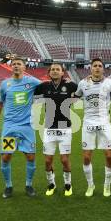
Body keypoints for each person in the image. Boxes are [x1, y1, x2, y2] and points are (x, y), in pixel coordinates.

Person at [0, 57, 41, 198]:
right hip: (10, 127)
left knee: (30, 157)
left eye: (19, 64)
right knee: (6, 157)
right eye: (13, 64)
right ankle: (8, 186)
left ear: (24, 68)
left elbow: (47, 86)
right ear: (11, 67)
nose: (16, 66)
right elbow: (0, 104)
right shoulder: (4, 84)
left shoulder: (31, 82)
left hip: (27, 126)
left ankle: (29, 185)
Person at [34, 63, 78, 197]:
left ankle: (68, 184)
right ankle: (51, 184)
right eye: (52, 69)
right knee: (47, 161)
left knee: (64, 160)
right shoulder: (44, 86)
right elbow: (32, 93)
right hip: (49, 128)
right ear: (49, 72)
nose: (54, 71)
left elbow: (82, 91)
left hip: (65, 128)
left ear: (62, 72)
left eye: (57, 69)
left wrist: (73, 100)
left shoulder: (70, 85)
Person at [75, 58, 111, 197]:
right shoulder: (83, 83)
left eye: (100, 66)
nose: (97, 68)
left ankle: (107, 186)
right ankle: (90, 185)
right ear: (90, 68)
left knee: (109, 156)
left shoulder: (110, 83)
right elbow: (75, 96)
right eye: (95, 66)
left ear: (103, 69)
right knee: (86, 157)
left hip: (104, 124)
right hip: (88, 124)